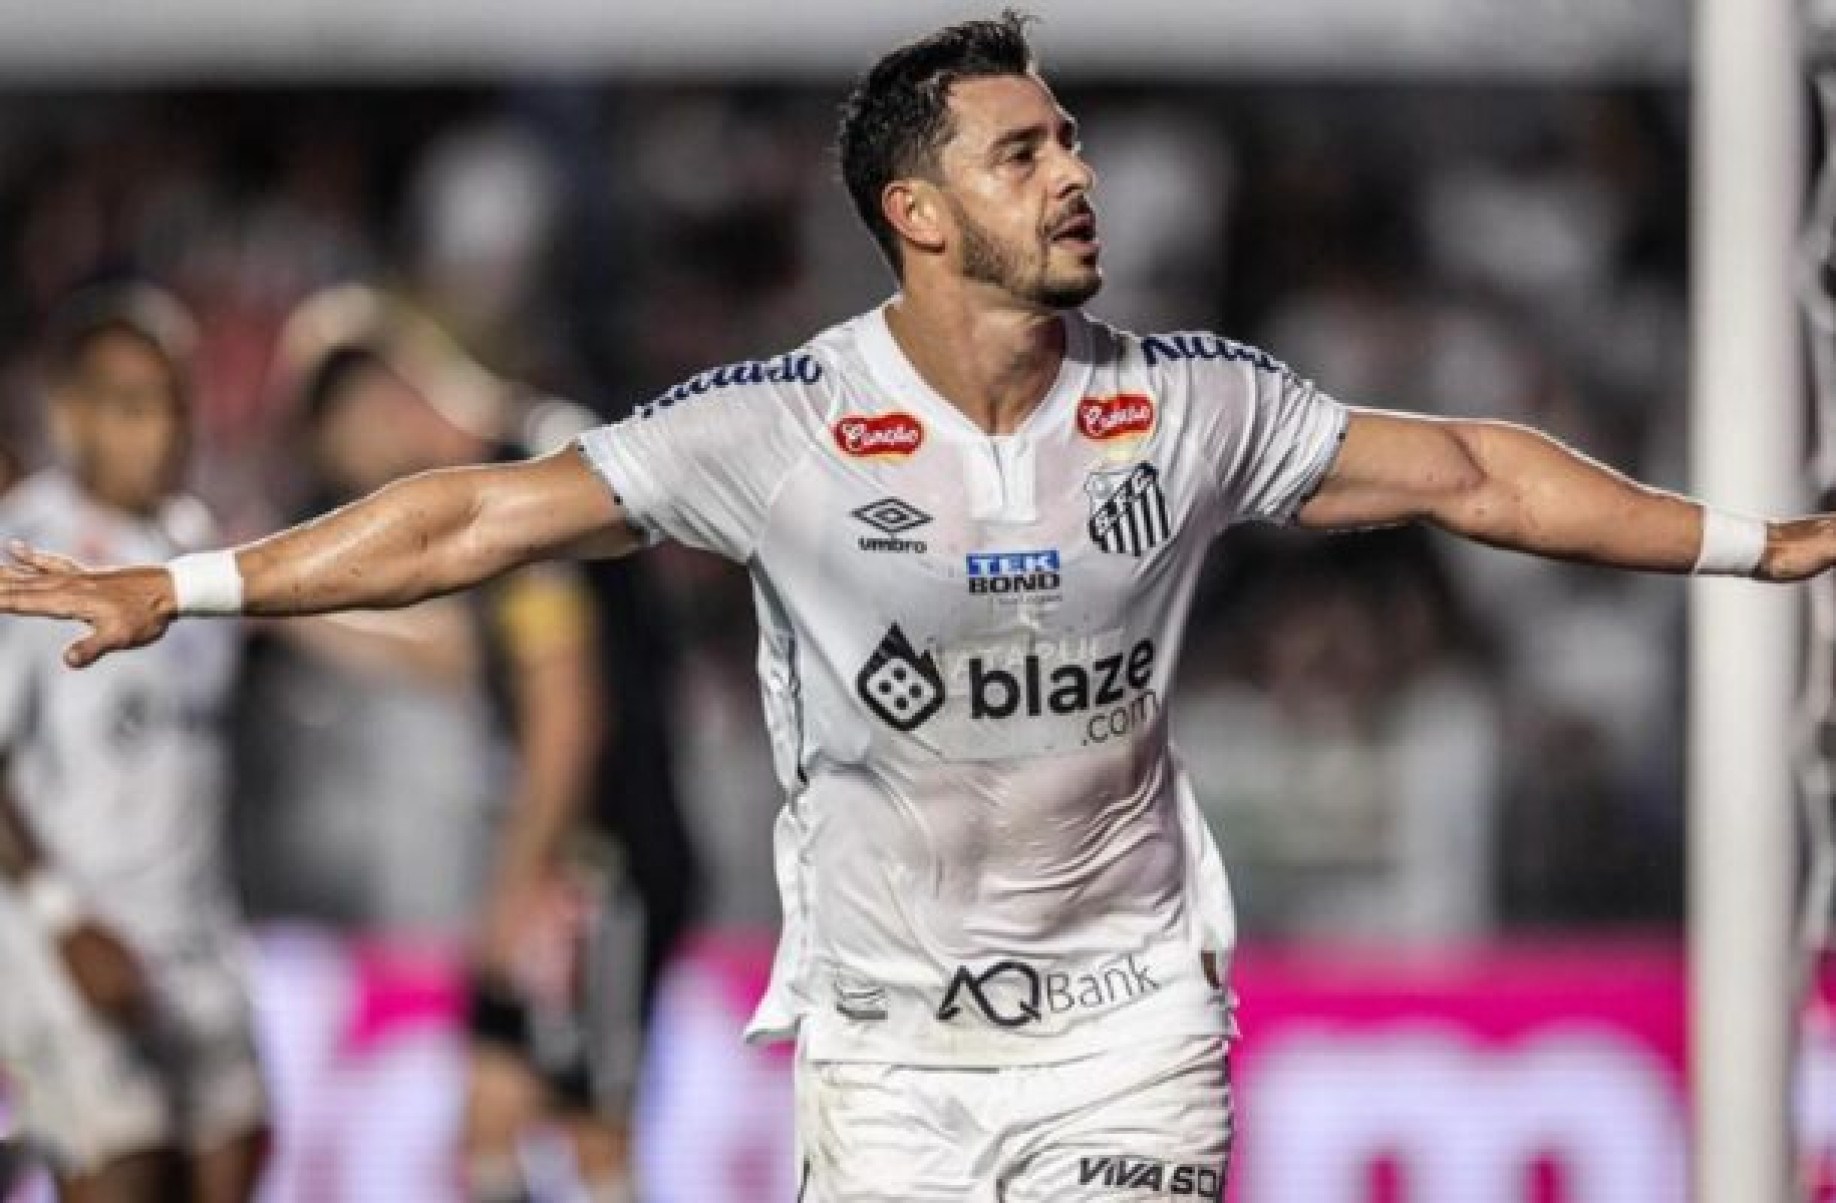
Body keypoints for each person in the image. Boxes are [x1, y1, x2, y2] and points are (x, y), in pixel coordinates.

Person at [1, 13, 1831, 1199]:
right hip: (887, 1047)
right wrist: (188, 581)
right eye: (1023, 153)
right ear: (919, 213)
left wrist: (1758, 541)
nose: (1076, 172)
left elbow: (1472, 475)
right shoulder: (778, 426)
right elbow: (480, 512)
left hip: (1128, 1022)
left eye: (1073, 141)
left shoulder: (1187, 399)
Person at [0, 284, 268, 1203]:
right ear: (70, 411)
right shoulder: (26, 550)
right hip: (78, 934)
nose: (158, 430)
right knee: (125, 1176)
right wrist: (61, 921)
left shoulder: (189, 545)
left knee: (235, 1156)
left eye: (171, 402)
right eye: (128, 405)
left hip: (197, 935)